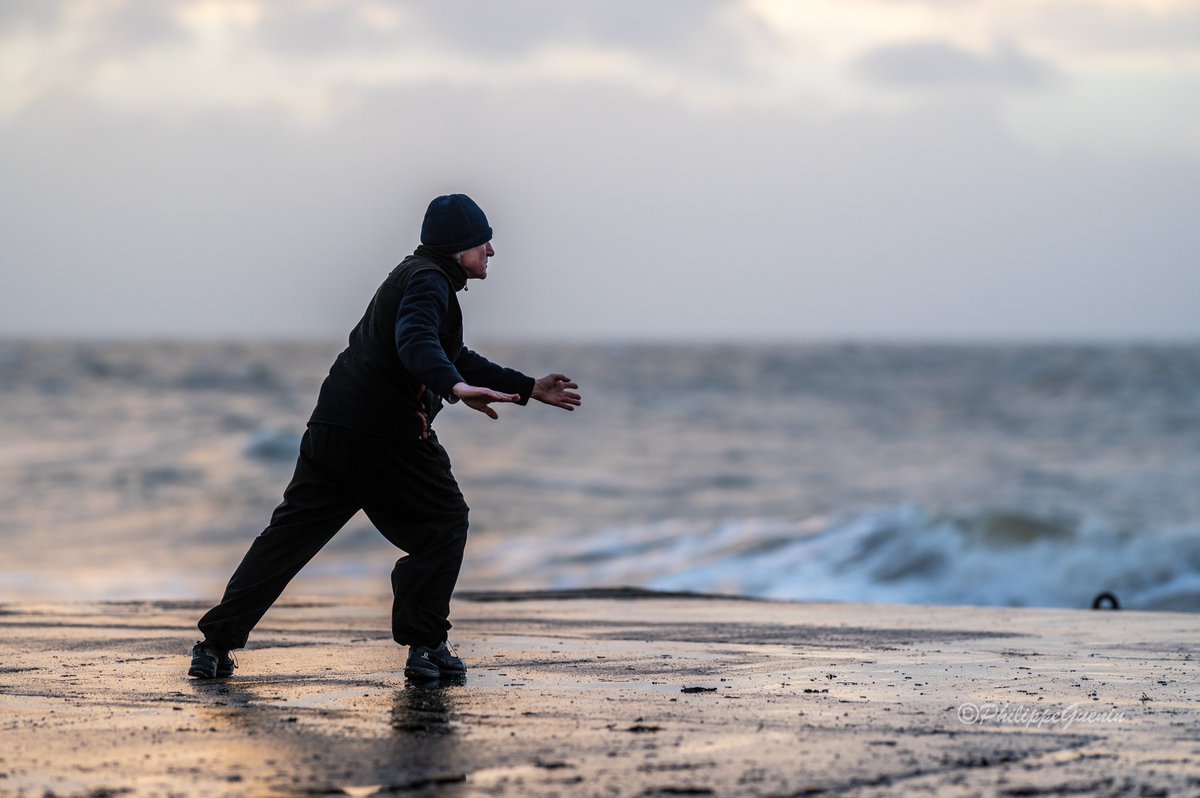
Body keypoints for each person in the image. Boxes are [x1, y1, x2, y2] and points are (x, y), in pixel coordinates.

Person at [188, 193, 581, 681]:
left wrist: (526, 388)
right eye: (484, 242)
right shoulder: (429, 283)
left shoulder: (415, 275)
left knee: (286, 540)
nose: (491, 252)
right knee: (444, 524)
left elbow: (448, 351)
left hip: (332, 429)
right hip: (387, 436)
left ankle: (213, 646)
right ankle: (426, 647)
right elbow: (416, 342)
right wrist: (454, 388)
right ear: (459, 246)